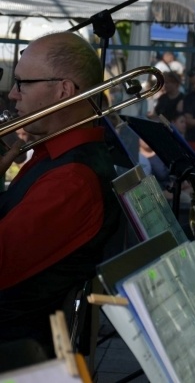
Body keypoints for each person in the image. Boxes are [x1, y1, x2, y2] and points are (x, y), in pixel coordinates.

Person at [0, 32, 121, 352]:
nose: (13, 94)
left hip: (16, 346)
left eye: (22, 83)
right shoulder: (52, 157)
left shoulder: (72, 179)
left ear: (63, 91)